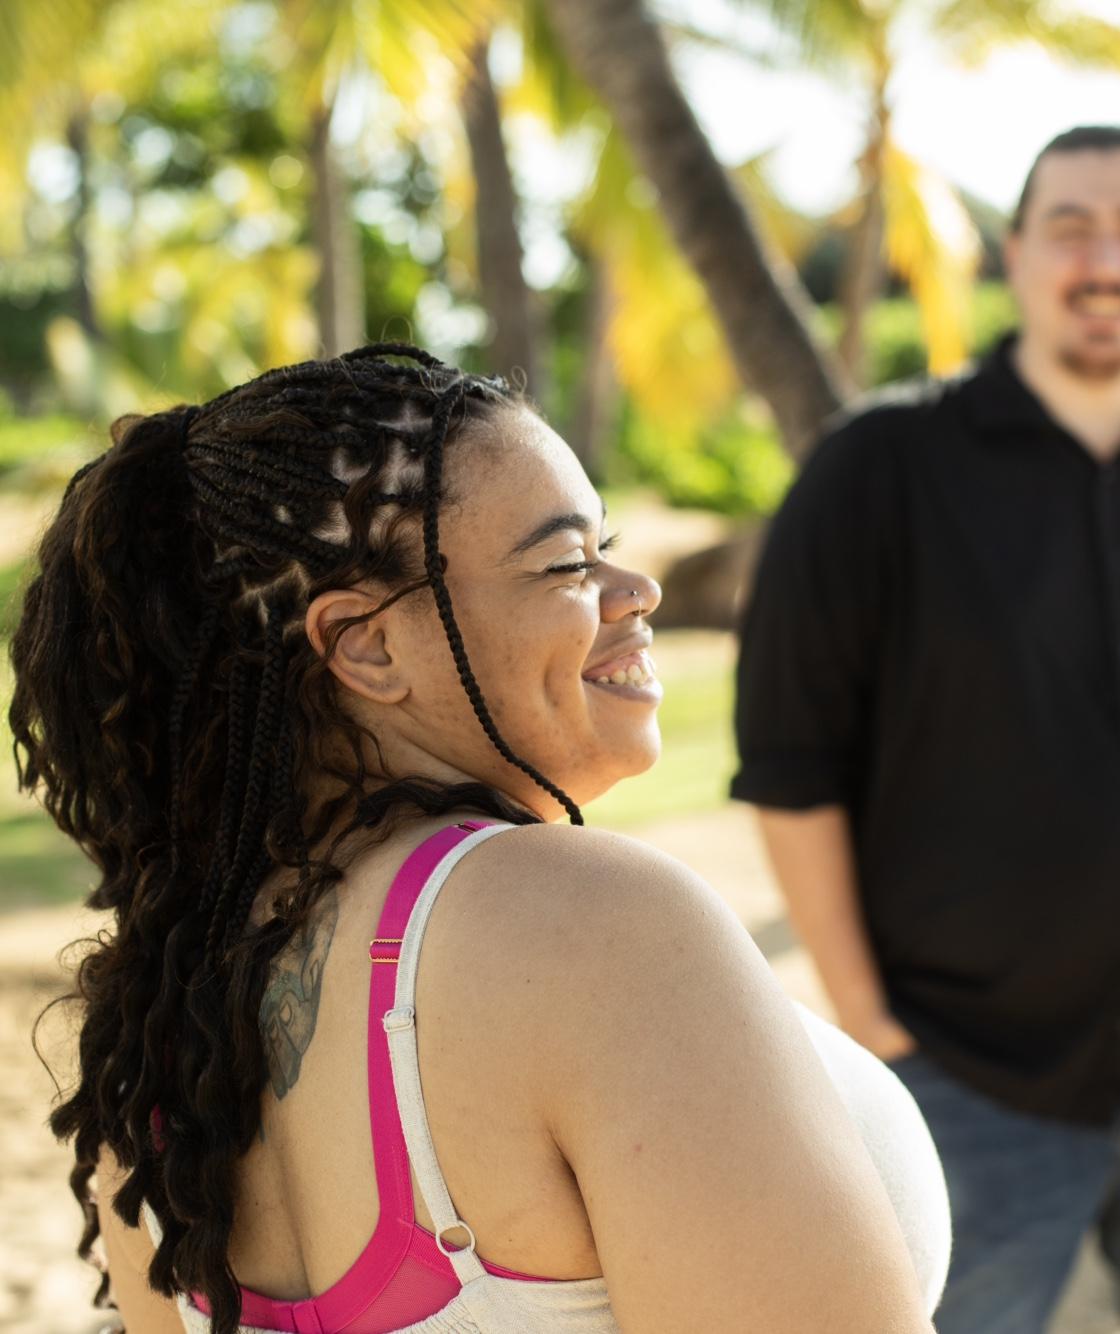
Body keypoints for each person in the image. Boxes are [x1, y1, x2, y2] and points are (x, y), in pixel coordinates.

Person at [14, 345, 949, 1334]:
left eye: (606, 544)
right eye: (566, 563)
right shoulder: (593, 928)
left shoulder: (162, 1031)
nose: (636, 588)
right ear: (369, 646)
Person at [732, 125, 1120, 1334]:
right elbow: (791, 761)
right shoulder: (874, 471)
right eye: (1070, 227)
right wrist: (867, 1016)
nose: (1104, 259)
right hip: (964, 1070)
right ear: (1013, 255)